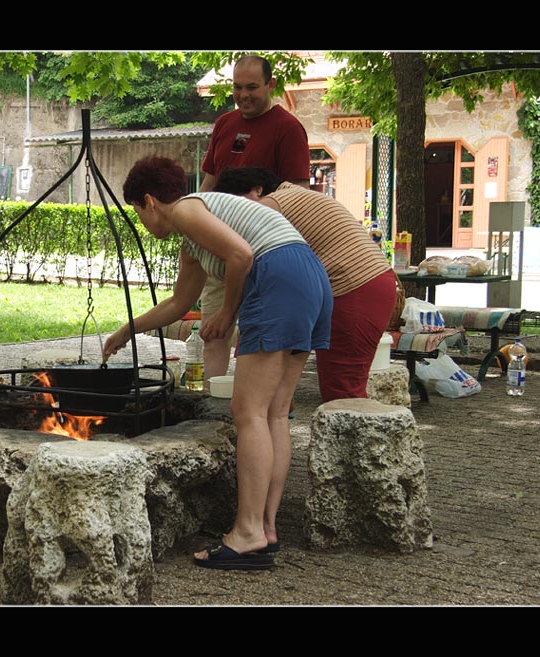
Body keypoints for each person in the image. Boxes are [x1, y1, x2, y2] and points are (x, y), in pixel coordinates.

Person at [103, 156, 333, 570]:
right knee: (275, 413)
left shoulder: (190, 208)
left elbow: (242, 255)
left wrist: (227, 312)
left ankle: (246, 532)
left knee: (247, 412)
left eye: (138, 212)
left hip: (277, 275)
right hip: (308, 275)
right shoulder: (193, 237)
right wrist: (127, 330)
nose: (143, 222)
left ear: (150, 202)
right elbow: (179, 303)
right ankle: (264, 528)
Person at [214, 167, 397, 402]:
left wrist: (227, 312)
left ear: (257, 190)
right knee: (287, 389)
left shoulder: (270, 204)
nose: (235, 215)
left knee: (342, 391)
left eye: (235, 203)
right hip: (368, 283)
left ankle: (352, 438)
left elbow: (245, 258)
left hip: (354, 286)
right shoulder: (296, 195)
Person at [197, 55, 311, 381]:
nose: (243, 95)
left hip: (264, 252)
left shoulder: (287, 128)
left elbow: (297, 194)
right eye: (237, 87)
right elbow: (209, 183)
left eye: (251, 88)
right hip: (219, 247)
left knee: (259, 336)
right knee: (214, 329)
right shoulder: (224, 124)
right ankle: (211, 402)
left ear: (270, 85)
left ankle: (260, 408)